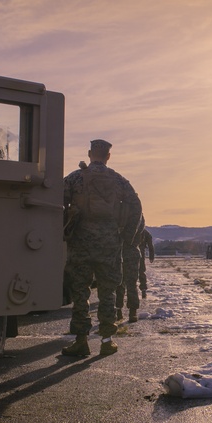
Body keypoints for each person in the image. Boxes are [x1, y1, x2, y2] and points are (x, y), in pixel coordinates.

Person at [62, 139, 142, 357]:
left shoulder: (75, 178)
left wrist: (64, 229)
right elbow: (136, 206)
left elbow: (56, 200)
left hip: (81, 244)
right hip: (110, 245)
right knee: (108, 292)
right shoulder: (118, 181)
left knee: (80, 292)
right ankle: (107, 341)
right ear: (108, 156)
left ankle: (81, 341)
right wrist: (127, 237)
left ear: (89, 154)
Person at [115, 216, 154, 322]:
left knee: (120, 283)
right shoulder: (137, 215)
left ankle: (119, 310)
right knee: (130, 283)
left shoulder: (118, 210)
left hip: (120, 251)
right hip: (131, 251)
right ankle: (131, 312)